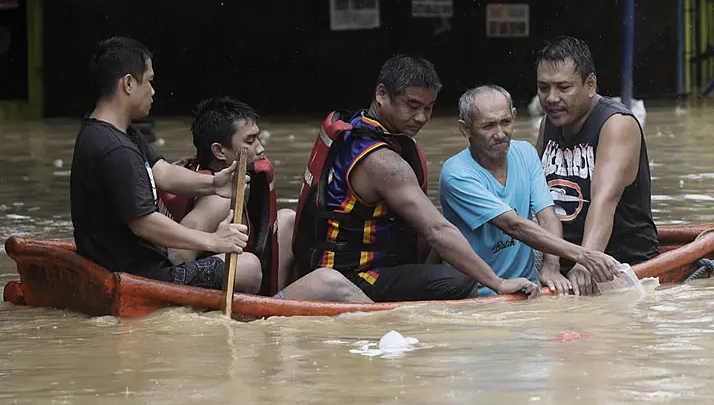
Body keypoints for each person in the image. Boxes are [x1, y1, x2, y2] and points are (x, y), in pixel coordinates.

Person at [292, 55, 540, 303]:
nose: (421, 117)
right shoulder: (382, 162)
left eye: (428, 107)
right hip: (354, 275)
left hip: (353, 260)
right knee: (459, 282)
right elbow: (436, 231)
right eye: (412, 106)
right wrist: (498, 283)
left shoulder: (357, 125)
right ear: (381, 94)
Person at [70, 37, 261, 293]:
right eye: (148, 81)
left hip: (130, 263)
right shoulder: (116, 149)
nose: (153, 91)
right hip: (141, 277)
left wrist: (214, 183)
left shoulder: (115, 133)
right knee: (250, 266)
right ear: (128, 83)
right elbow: (144, 223)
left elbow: (164, 172)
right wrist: (214, 240)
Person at [160, 96, 371, 303]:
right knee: (328, 281)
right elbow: (178, 254)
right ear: (219, 151)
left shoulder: (241, 180)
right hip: (227, 284)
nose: (260, 148)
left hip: (249, 284)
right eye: (250, 141)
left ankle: (275, 299)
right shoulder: (217, 199)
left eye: (257, 138)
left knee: (287, 219)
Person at [438, 85, 621, 296]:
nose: (500, 134)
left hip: (529, 288)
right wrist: (583, 255)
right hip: (478, 293)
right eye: (488, 126)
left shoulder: (525, 153)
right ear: (465, 129)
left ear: (514, 116)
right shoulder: (456, 174)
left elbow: (547, 216)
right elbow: (513, 225)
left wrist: (551, 265)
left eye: (506, 122)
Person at [535, 36, 659, 295]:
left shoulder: (616, 124)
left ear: (590, 84)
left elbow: (605, 200)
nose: (551, 98)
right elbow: (540, 200)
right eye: (543, 88)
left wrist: (585, 262)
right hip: (565, 257)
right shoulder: (549, 124)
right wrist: (552, 262)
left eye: (563, 87)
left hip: (617, 261)